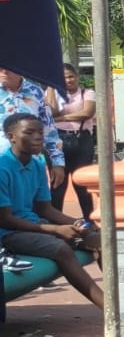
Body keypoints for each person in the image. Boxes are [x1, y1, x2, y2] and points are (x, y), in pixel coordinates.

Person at [0, 112, 104, 309]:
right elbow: (5, 220)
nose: (38, 137)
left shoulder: (37, 165)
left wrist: (76, 223)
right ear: (11, 136)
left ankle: (120, 298)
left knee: (97, 239)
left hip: (35, 225)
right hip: (9, 233)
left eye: (40, 132)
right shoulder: (2, 167)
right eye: (29, 133)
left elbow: (44, 208)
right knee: (61, 249)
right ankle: (108, 308)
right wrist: (56, 230)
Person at [0, 68, 64, 191]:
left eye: (8, 68)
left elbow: (49, 129)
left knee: (33, 204)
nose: (3, 72)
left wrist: (58, 162)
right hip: (2, 161)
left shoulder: (36, 92)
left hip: (30, 162)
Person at [50, 63, 96, 216]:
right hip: (58, 140)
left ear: (76, 77)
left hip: (81, 139)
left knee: (81, 182)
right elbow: (51, 112)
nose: (68, 80)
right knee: (57, 183)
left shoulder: (87, 93)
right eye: (63, 78)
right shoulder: (54, 93)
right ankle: (57, 220)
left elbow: (87, 112)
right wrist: (51, 87)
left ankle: (89, 220)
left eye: (71, 76)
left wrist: (61, 118)